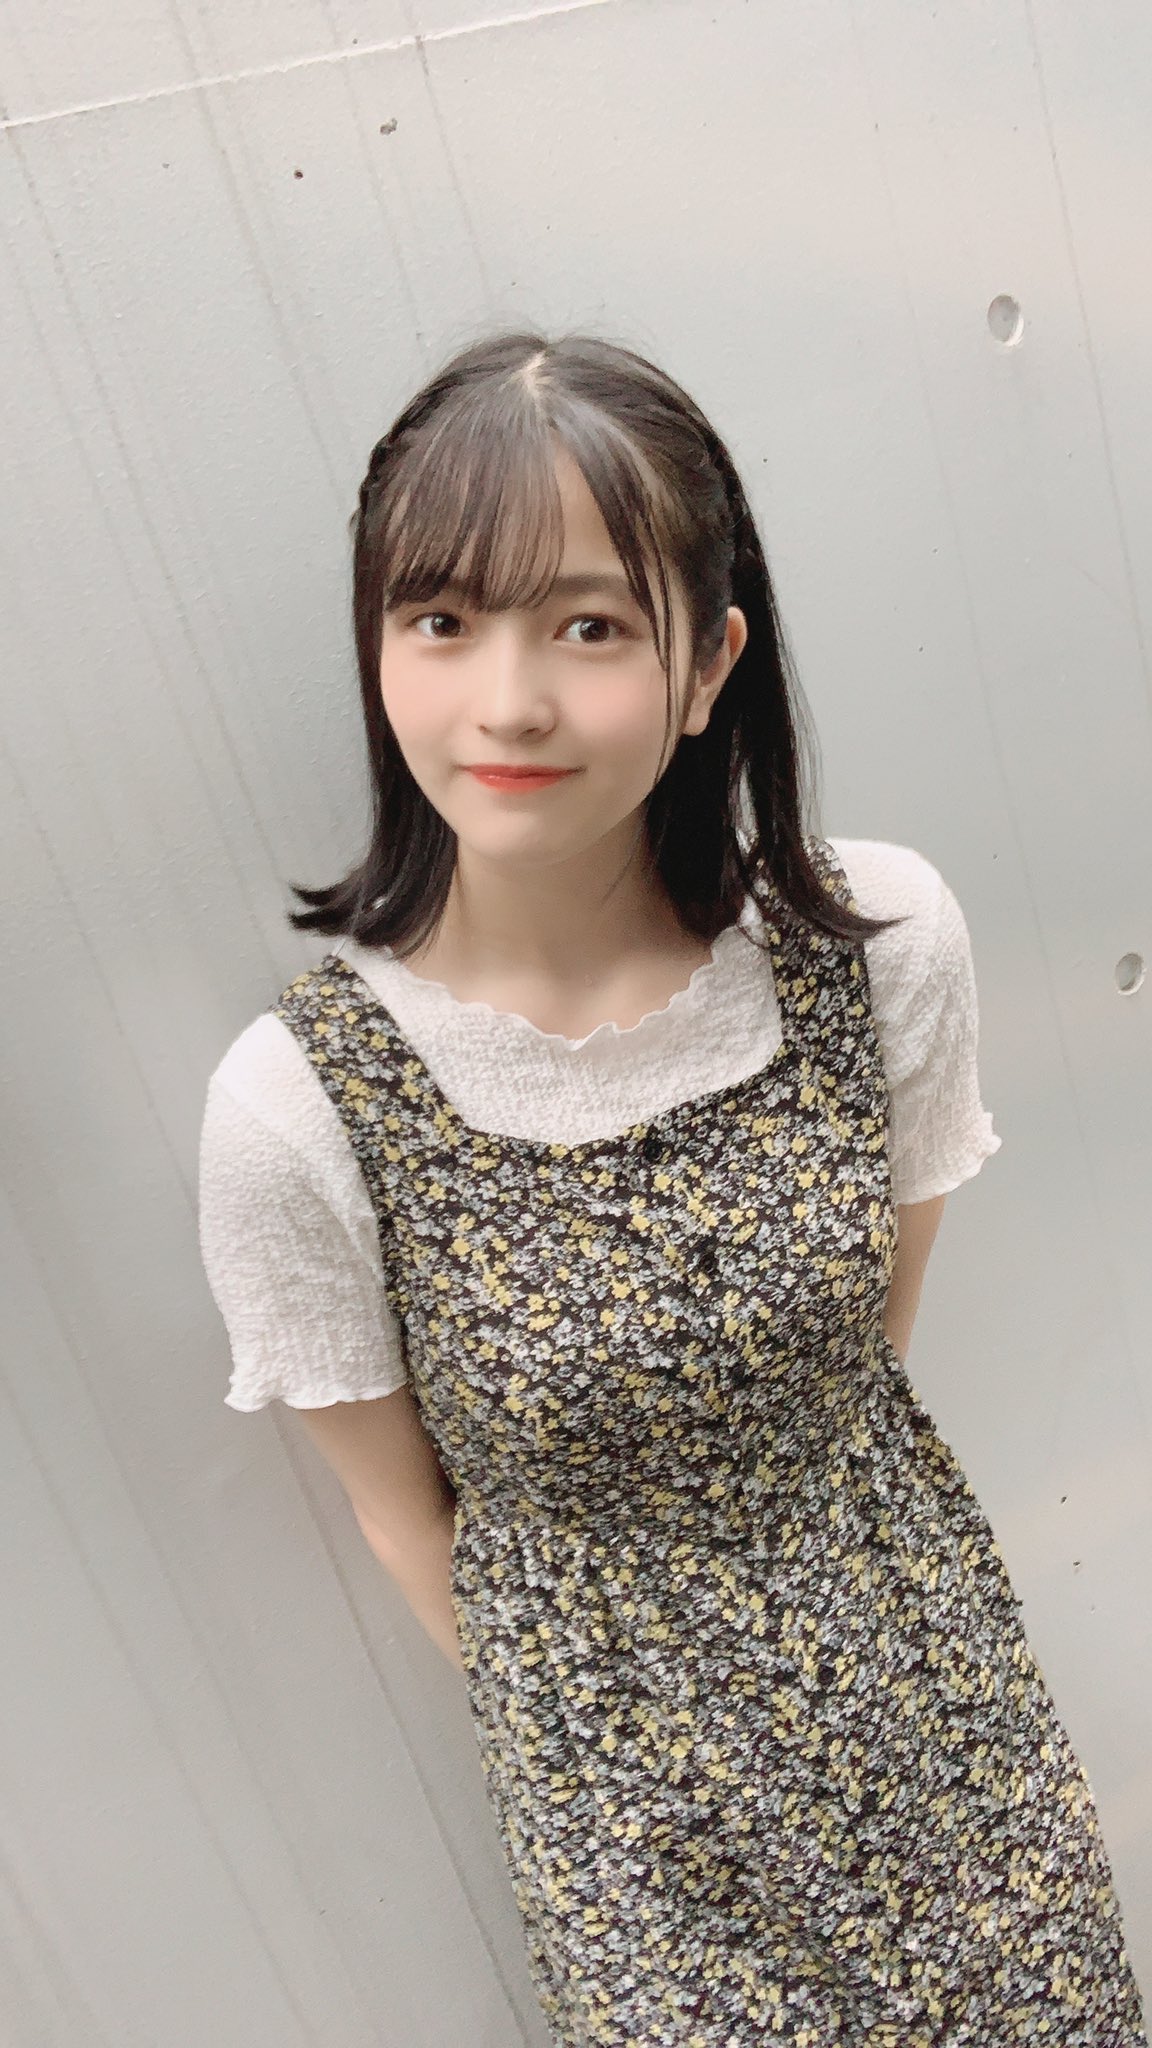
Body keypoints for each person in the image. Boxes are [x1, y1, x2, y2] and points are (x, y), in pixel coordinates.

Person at [198, 329, 1146, 2045]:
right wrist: (630, 1771)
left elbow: (863, 1368)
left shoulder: (877, 950)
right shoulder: (302, 1109)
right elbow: (412, 1524)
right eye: (440, 620)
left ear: (709, 663)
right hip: (641, 1856)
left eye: (588, 627)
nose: (508, 701)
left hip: (946, 1741)